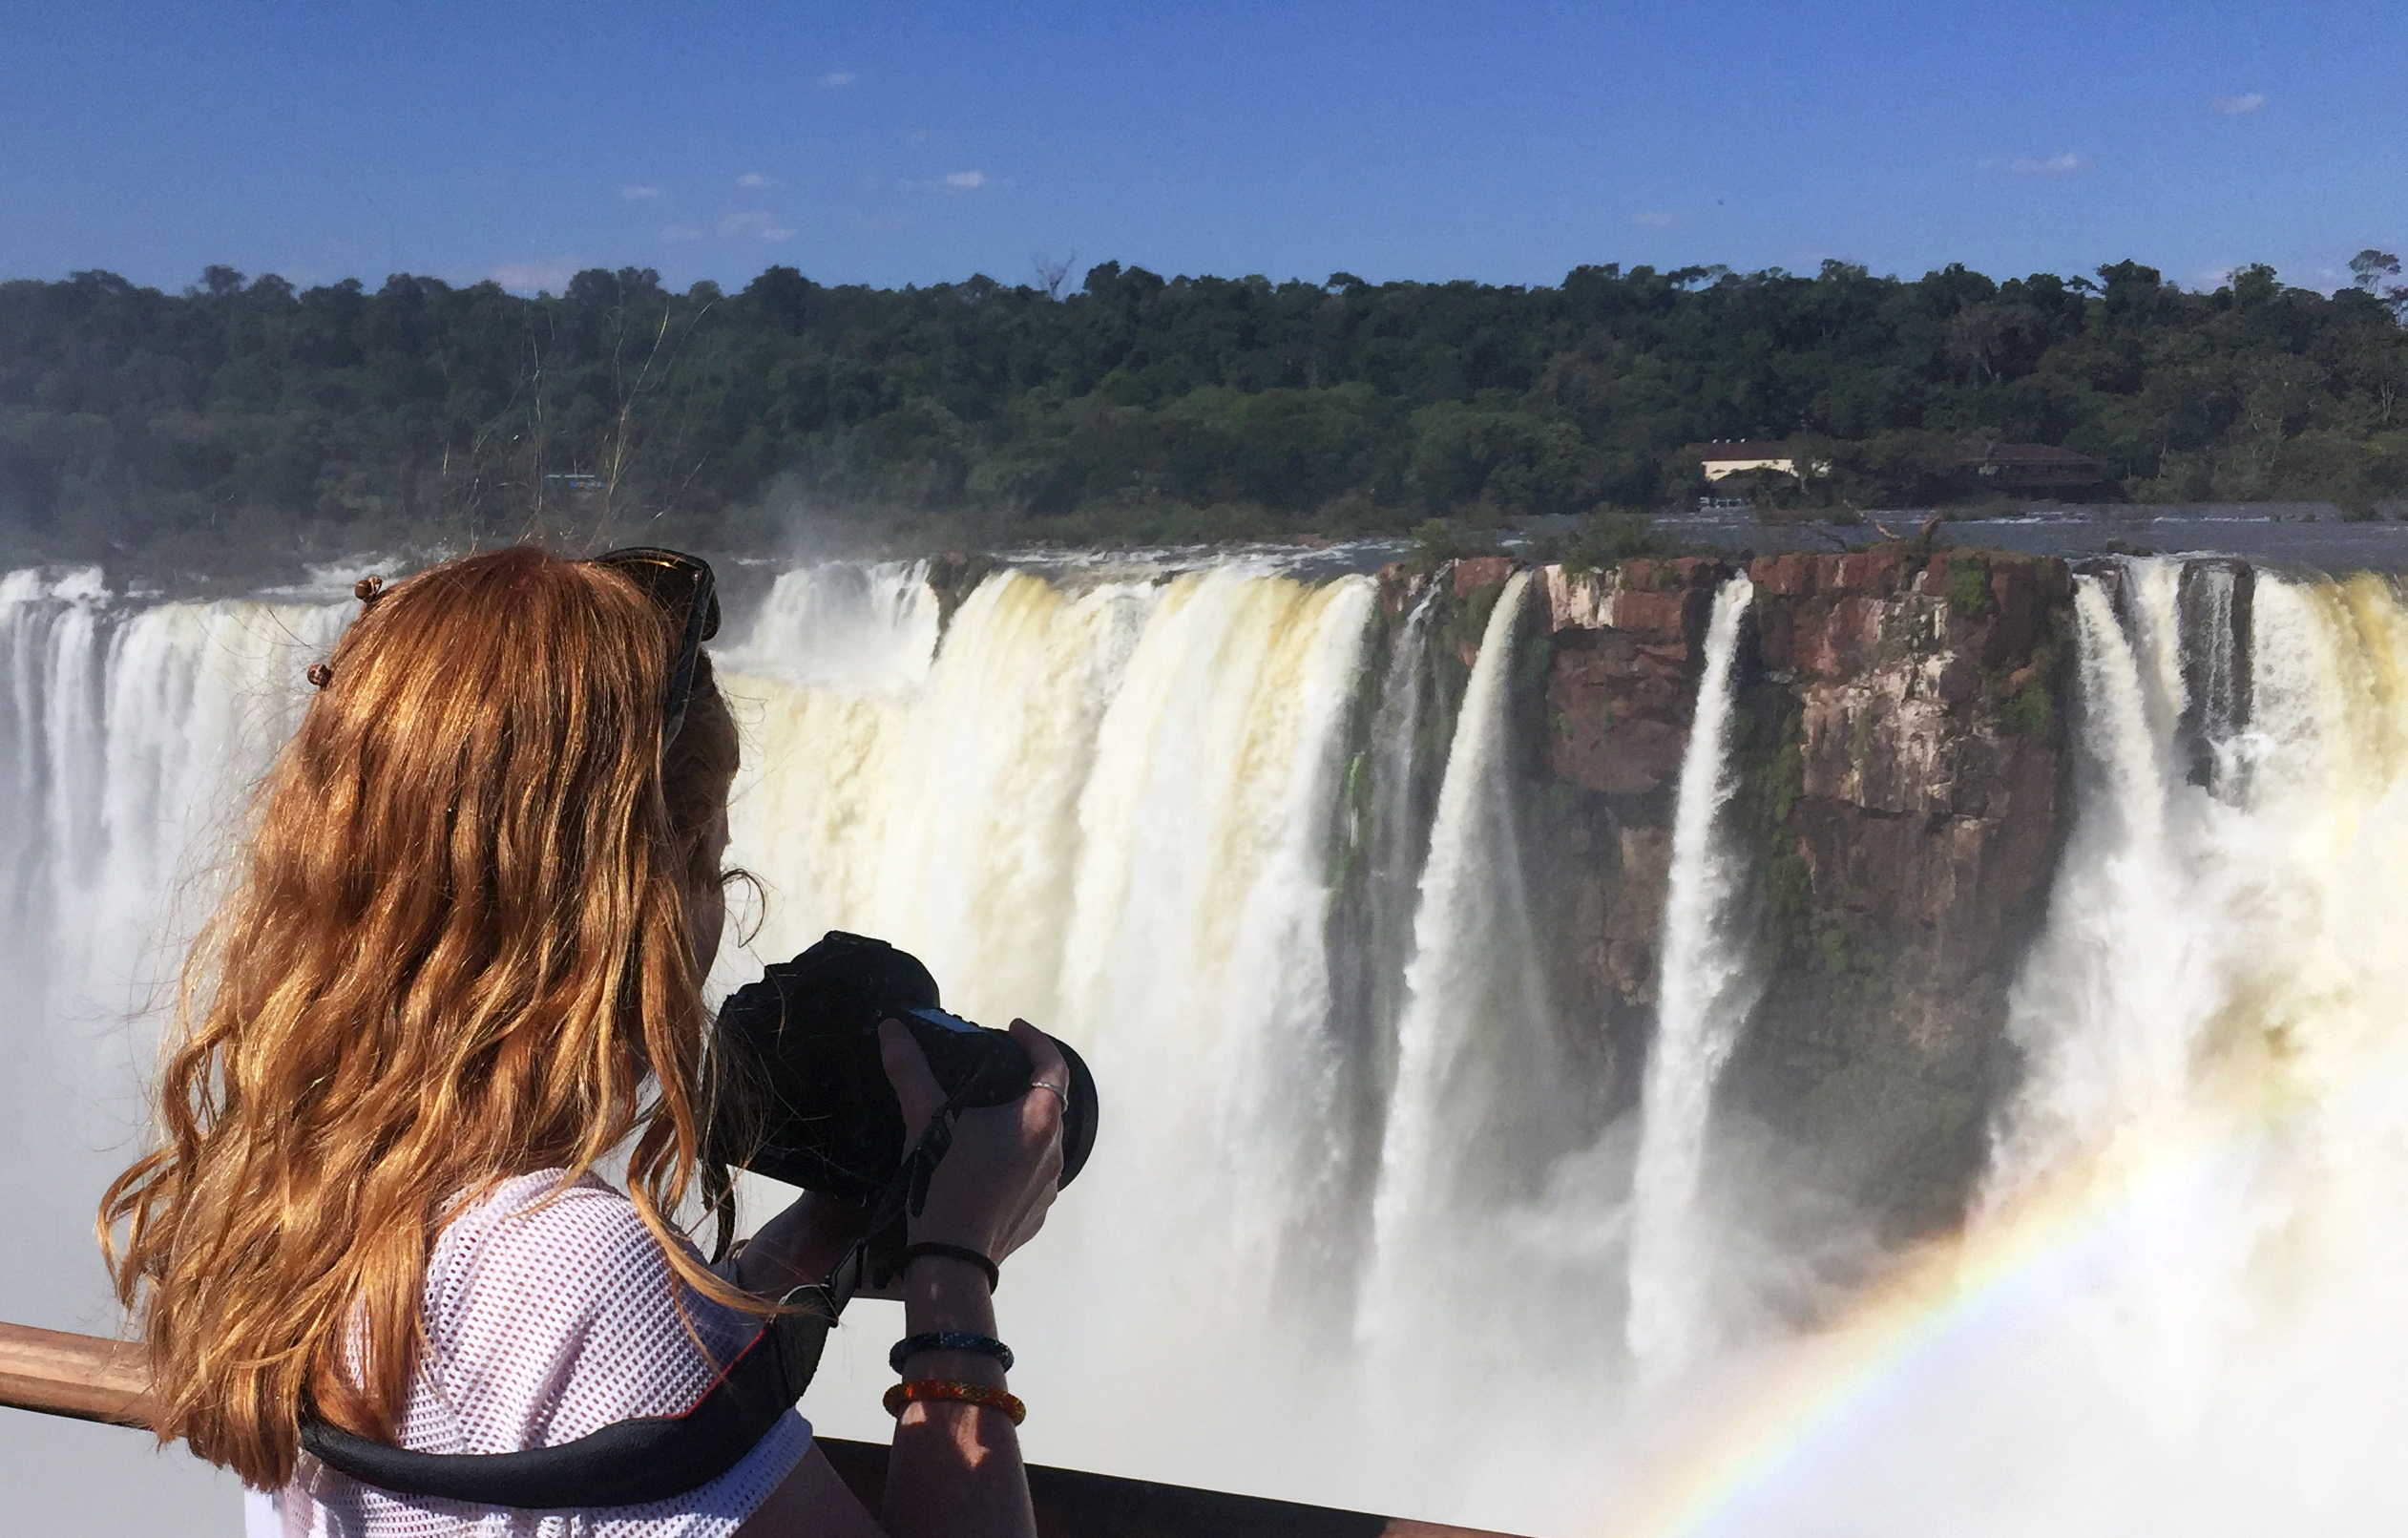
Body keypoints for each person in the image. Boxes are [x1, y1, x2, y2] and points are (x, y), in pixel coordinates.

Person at [99, 546, 1065, 1538]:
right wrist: (953, 1270)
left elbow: (568, 1393)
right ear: (632, 908)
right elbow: (579, 1332)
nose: (715, 920)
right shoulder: (573, 1268)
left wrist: (817, 1239)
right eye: (710, 867)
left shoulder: (305, 1191)